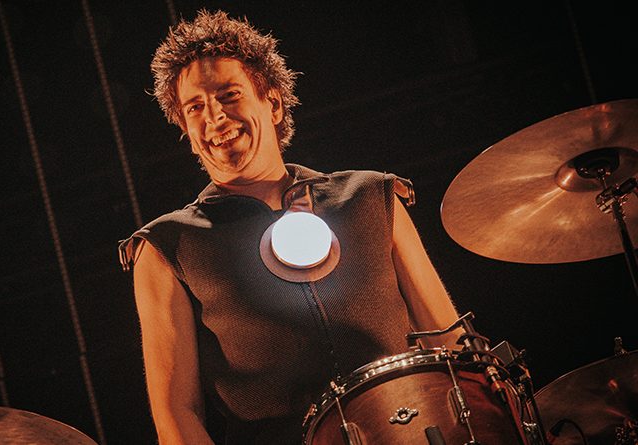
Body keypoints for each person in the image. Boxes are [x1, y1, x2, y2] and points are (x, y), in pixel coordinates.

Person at [119, 9, 460, 444]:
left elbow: (451, 344)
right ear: (185, 128)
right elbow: (176, 415)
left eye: (229, 95)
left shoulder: (371, 196)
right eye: (195, 108)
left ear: (274, 103)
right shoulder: (167, 247)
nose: (215, 117)